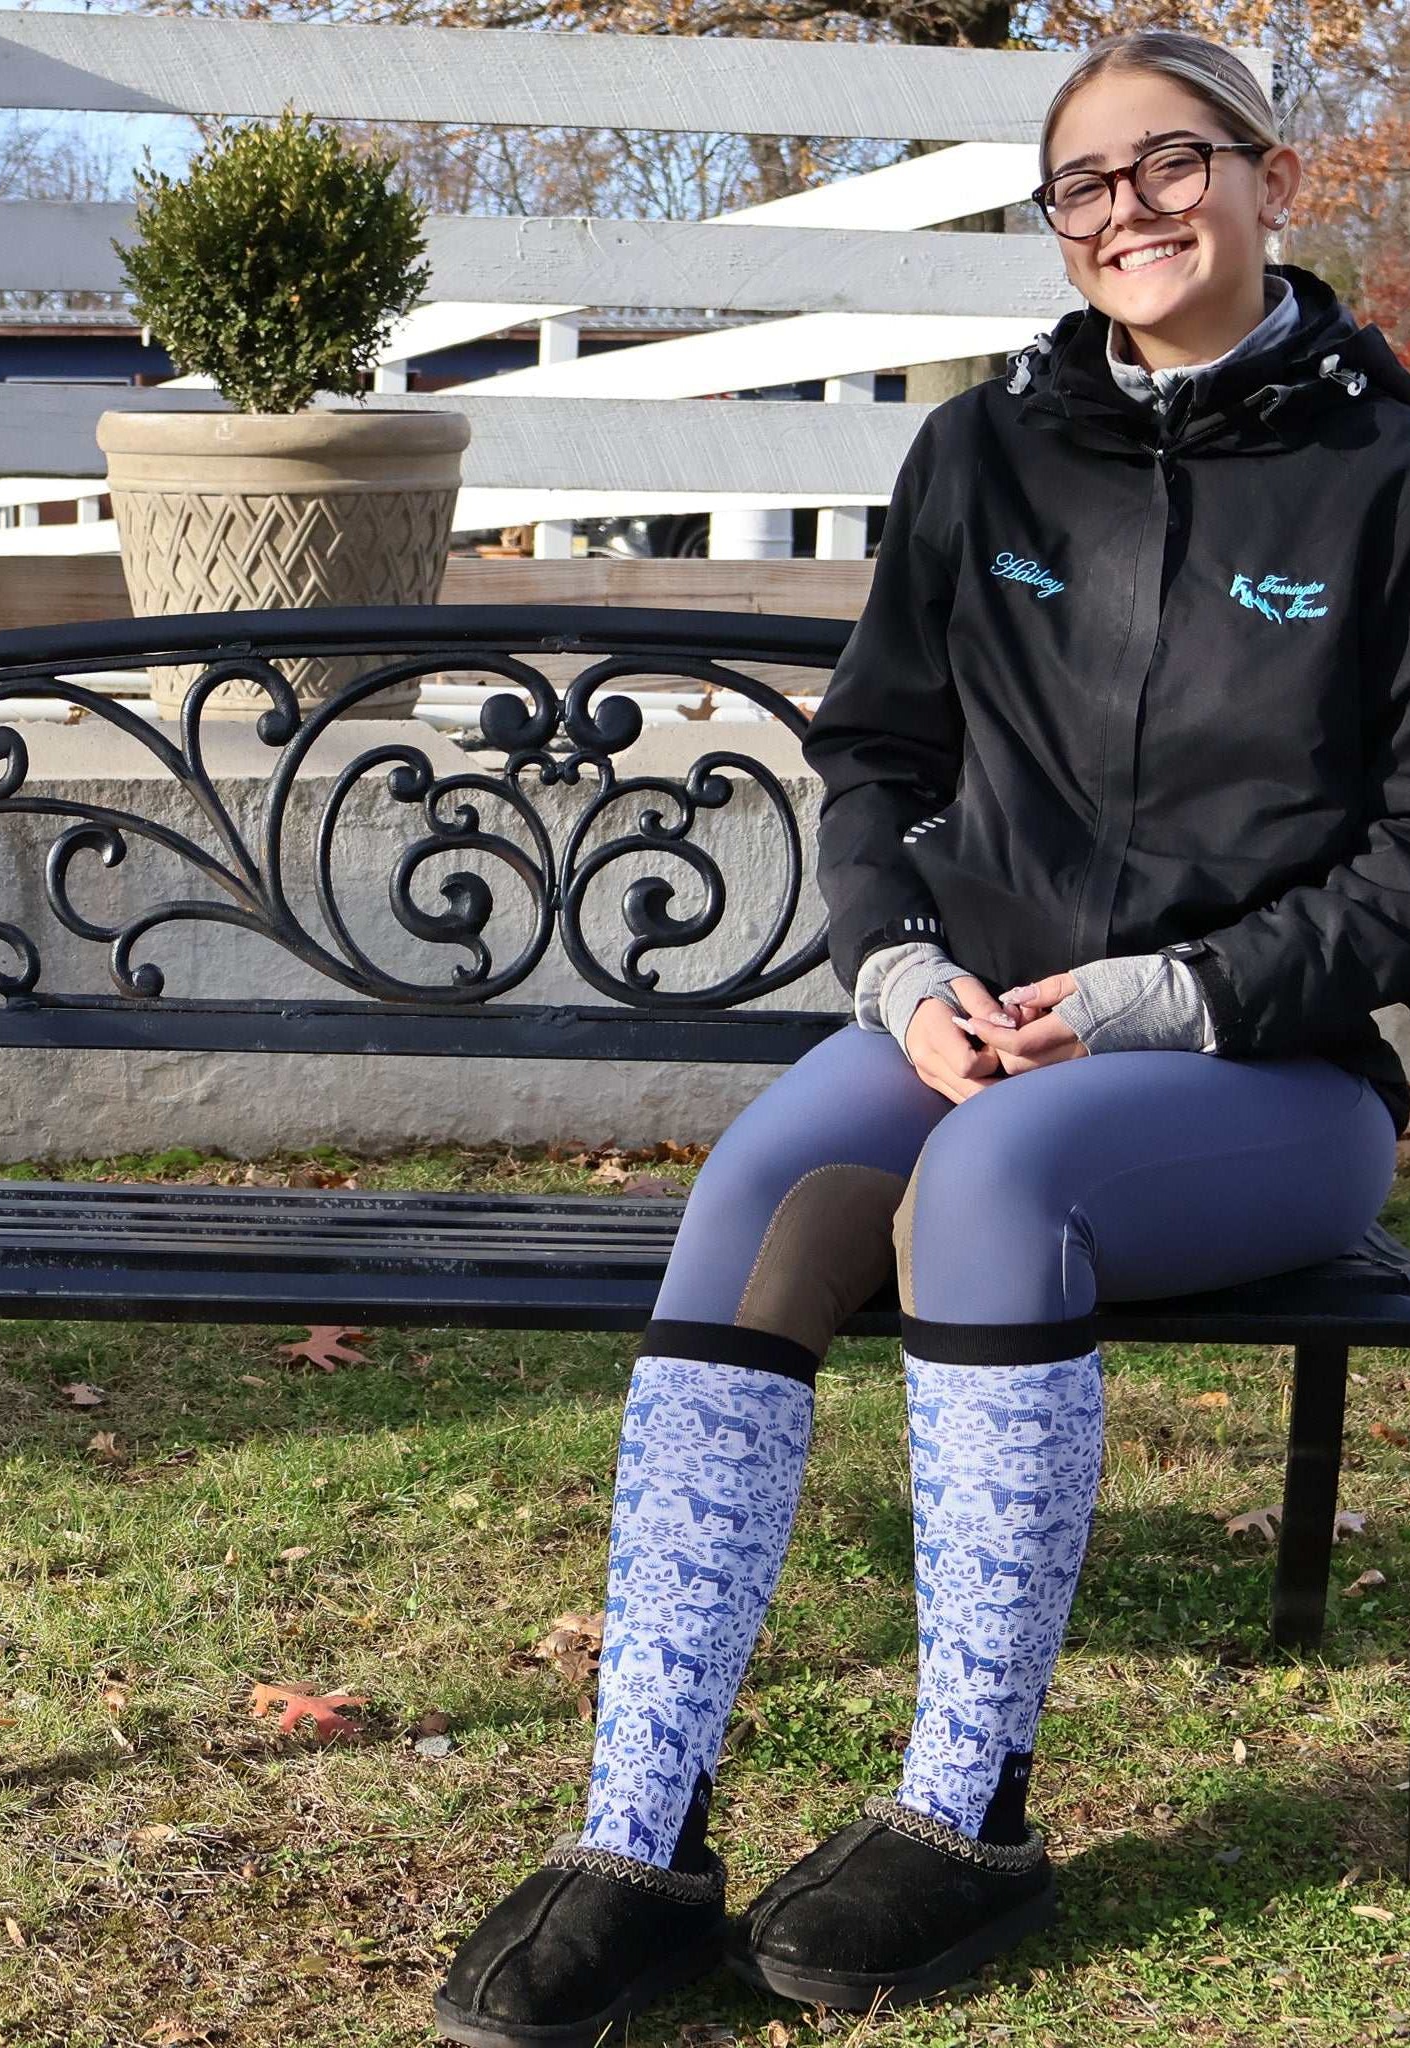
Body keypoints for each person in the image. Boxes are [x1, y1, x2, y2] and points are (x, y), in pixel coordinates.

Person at [434, 26, 1410, 2045]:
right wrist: (896, 972)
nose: (1129, 207)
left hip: (1272, 1069)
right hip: (984, 1017)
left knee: (996, 1179)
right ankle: (643, 1834)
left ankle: (969, 1806)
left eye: (1173, 164)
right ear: (1057, 227)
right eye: (1085, 184)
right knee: (764, 1180)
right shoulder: (984, 456)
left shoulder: (1387, 470)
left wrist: (1175, 992)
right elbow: (874, 762)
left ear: (1270, 184)